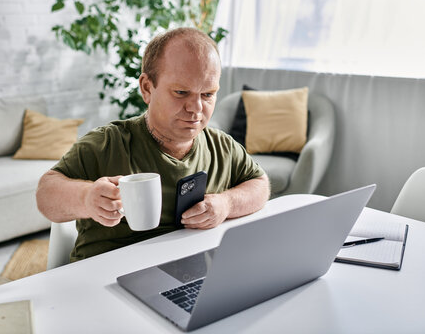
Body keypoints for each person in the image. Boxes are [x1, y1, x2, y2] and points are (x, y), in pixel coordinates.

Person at [36, 27, 270, 262]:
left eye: (208, 94)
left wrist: (226, 203)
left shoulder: (222, 147)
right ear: (147, 88)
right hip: (109, 277)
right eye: (181, 92)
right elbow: (46, 195)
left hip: (189, 276)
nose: (196, 108)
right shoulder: (107, 144)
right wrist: (86, 198)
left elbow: (260, 185)